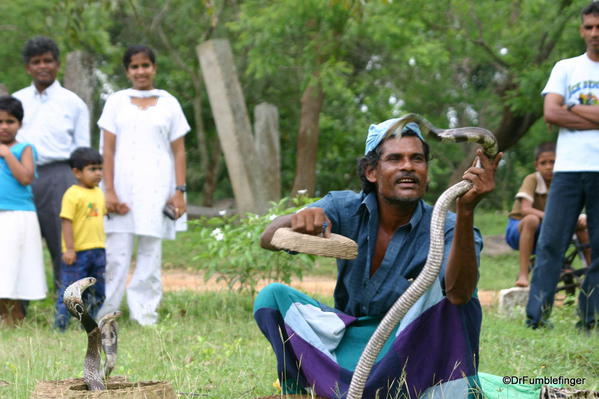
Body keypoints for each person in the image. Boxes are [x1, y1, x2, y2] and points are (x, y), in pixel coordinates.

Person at [255, 118, 501, 398]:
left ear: (426, 171)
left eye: (417, 159)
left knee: (449, 288)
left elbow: (459, 296)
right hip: (356, 345)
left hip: (414, 351)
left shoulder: (448, 225)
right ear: (372, 172)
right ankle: (309, 389)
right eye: (395, 158)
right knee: (272, 297)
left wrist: (467, 211)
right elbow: (267, 238)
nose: (408, 166)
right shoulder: (343, 206)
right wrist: (298, 219)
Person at [95, 45, 189, 326]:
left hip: (158, 187)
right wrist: (109, 190)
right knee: (116, 253)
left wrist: (179, 190)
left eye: (145, 65)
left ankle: (145, 313)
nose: (140, 71)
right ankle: (107, 313)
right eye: (134, 67)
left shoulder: (169, 103)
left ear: (154, 68)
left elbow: (180, 151)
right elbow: (107, 150)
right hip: (121, 187)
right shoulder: (116, 101)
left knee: (150, 252)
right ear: (127, 71)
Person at [526, 2, 599, 331]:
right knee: (551, 242)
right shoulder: (566, 68)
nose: (594, 34)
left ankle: (589, 318)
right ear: (582, 29)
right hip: (568, 171)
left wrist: (572, 106)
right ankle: (537, 317)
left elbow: (561, 111)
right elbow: (551, 113)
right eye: (589, 27)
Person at [13, 36, 90, 292]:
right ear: (27, 67)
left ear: (57, 64)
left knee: (63, 242)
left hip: (61, 177)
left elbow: (82, 149)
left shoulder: (73, 103)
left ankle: (68, 302)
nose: (42, 66)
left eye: (48, 61)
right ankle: (16, 305)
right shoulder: (17, 101)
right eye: (36, 62)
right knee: (20, 240)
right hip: (20, 177)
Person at [505, 142, 590, 288]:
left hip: (550, 227)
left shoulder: (564, 183)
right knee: (531, 219)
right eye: (543, 163)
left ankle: (592, 270)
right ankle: (523, 274)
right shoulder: (532, 179)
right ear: (536, 165)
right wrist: (554, 218)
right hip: (520, 229)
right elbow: (525, 209)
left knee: (582, 225)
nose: (549, 167)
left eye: (553, 162)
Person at [0, 96, 47, 325]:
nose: (4, 127)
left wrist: (7, 154)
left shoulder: (24, 149)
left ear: (19, 124)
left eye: (10, 121)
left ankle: (15, 316)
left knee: (14, 266)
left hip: (18, 216)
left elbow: (25, 177)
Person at [54, 147, 106, 331]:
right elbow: (66, 222)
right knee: (71, 291)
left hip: (98, 251)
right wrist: (69, 249)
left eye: (100, 168)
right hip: (78, 252)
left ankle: (87, 325)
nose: (98, 173)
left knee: (98, 292)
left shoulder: (99, 192)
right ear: (76, 172)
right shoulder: (72, 194)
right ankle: (60, 325)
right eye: (92, 169)